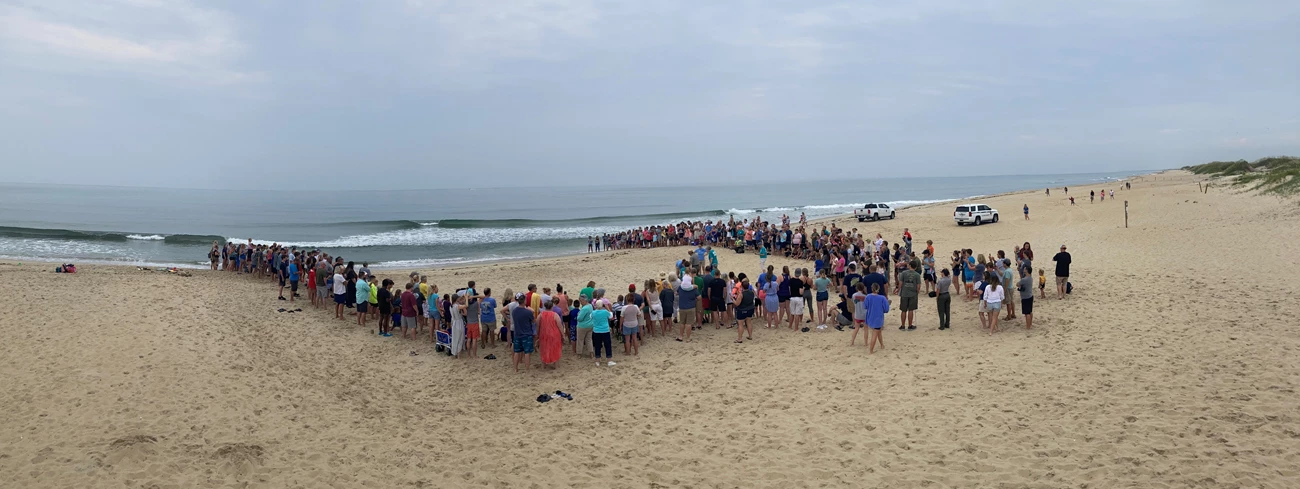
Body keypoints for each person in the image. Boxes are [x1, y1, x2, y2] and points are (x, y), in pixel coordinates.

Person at [511, 298, 537, 372]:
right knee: (527, 352)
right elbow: (534, 320)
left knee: (517, 352)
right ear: (524, 301)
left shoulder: (514, 311)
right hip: (526, 334)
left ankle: (515, 368)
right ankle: (527, 369)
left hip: (517, 333)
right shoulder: (527, 312)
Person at [537, 300, 564, 369]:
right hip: (554, 334)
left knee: (544, 349)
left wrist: (538, 333)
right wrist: (562, 334)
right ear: (552, 306)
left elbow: (537, 325)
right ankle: (556, 365)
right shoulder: (555, 315)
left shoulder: (541, 315)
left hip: (544, 334)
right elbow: (560, 326)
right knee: (555, 349)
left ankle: (543, 365)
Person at [864, 283, 890, 354]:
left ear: (872, 289)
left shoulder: (868, 296)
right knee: (875, 332)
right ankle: (871, 350)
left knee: (878, 331)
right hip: (878, 318)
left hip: (870, 317)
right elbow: (886, 309)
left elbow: (865, 306)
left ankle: (882, 345)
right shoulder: (882, 298)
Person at [897, 262, 921, 330]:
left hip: (904, 293)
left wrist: (898, 290)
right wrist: (917, 291)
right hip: (913, 294)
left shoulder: (904, 273)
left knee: (903, 310)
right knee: (911, 310)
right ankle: (910, 325)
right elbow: (918, 285)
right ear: (915, 267)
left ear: (909, 266)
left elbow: (900, 283)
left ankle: (903, 325)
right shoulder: (917, 275)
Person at [591, 299, 615, 366]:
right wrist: (608, 309)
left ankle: (597, 360)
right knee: (607, 345)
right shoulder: (605, 312)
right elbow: (611, 316)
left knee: (597, 345)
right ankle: (609, 360)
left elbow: (590, 317)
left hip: (596, 330)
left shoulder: (593, 312)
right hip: (605, 330)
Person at [735, 279, 755, 343]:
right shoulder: (751, 292)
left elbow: (737, 303)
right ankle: (750, 335)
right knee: (749, 322)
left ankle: (740, 338)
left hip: (742, 310)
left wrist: (733, 299)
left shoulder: (741, 294)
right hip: (750, 309)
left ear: (742, 287)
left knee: (740, 324)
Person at [449, 292, 467, 358]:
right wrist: (466, 298)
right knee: (460, 338)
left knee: (455, 338)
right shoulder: (457, 306)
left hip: (454, 323)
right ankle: (459, 355)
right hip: (459, 322)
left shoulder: (451, 306)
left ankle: (454, 353)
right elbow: (466, 306)